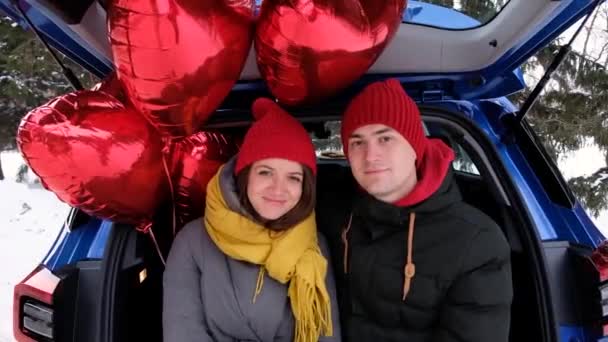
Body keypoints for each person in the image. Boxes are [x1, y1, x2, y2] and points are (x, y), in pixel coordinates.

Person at [316, 78, 512, 342]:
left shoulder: (476, 242)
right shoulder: (336, 211)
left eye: (385, 138)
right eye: (357, 142)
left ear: (415, 147)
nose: (370, 155)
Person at [163, 98, 341, 342]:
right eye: (266, 172)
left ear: (305, 188)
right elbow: (182, 333)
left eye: (293, 178)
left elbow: (326, 334)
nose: (279, 189)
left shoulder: (314, 246)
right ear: (244, 176)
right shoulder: (192, 241)